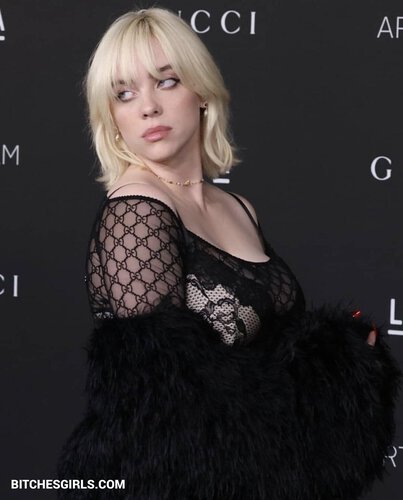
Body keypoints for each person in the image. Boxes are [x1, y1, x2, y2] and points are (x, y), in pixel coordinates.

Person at [57, 7, 401, 500]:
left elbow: (274, 362)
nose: (148, 107)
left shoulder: (238, 208)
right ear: (110, 117)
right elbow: (164, 409)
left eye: (167, 81)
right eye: (124, 94)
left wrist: (343, 365)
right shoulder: (137, 210)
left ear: (201, 92)